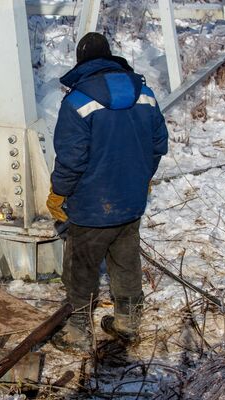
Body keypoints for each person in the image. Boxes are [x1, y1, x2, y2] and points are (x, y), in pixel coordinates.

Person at [47, 32, 168, 351]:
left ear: (82, 62)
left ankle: (78, 332)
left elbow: (72, 159)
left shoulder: (76, 102)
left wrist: (59, 192)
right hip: (130, 201)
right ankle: (128, 323)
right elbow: (158, 145)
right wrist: (142, 176)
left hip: (90, 206)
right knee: (126, 260)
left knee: (81, 267)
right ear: (110, 57)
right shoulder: (145, 94)